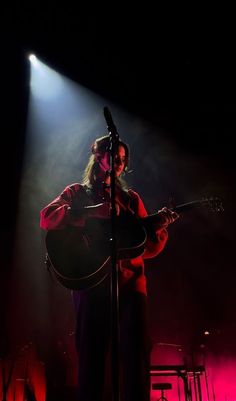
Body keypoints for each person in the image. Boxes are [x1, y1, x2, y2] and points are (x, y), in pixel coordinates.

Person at [40, 135, 179, 401]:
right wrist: (91, 212)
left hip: (131, 286)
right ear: (98, 155)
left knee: (136, 355)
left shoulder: (130, 199)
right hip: (91, 284)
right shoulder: (77, 193)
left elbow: (144, 248)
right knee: (91, 354)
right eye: (115, 156)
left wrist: (157, 229)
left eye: (124, 160)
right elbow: (47, 218)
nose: (119, 163)